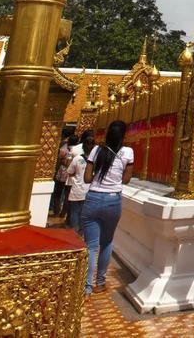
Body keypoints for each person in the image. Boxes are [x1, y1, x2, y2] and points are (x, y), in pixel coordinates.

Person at [82, 120, 134, 295]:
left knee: (91, 246)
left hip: (93, 198)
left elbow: (87, 178)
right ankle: (100, 282)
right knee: (107, 242)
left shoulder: (97, 150)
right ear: (124, 135)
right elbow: (126, 180)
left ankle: (86, 287)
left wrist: (99, 174)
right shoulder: (128, 152)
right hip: (113, 200)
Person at [65, 132, 93, 236]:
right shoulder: (95, 160)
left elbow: (69, 172)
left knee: (74, 213)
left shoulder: (77, 158)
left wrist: (77, 176)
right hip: (89, 191)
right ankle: (81, 235)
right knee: (84, 214)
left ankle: (73, 235)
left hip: (77, 189)